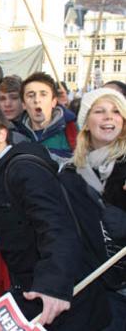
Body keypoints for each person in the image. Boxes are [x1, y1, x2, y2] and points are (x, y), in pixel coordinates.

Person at [0, 103, 110, 329]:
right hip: (32, 292)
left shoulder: (23, 169)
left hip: (65, 299)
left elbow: (56, 226)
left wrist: (53, 285)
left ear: (1, 134)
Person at [71, 87, 126, 330]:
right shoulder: (70, 174)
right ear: (85, 123)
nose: (108, 117)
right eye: (100, 111)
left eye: (116, 112)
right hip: (90, 285)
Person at [14, 72, 77, 163]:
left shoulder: (72, 131)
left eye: (43, 94)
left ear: (53, 102)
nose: (37, 100)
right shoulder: (15, 136)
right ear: (23, 104)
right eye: (30, 95)